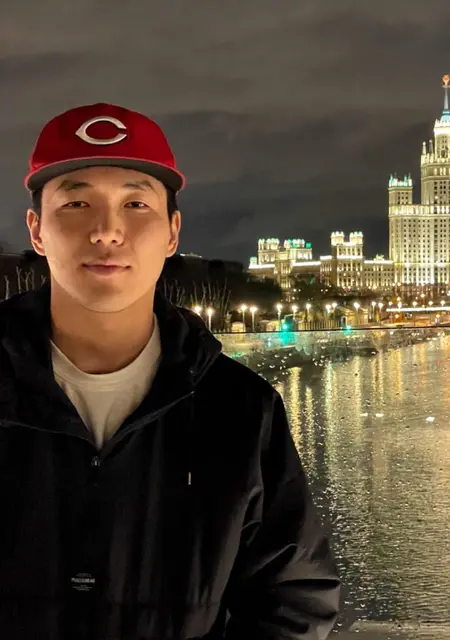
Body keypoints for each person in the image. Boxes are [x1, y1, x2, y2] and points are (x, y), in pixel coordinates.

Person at [0, 103, 340, 639]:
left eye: (135, 204)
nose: (107, 230)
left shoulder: (240, 409)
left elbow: (294, 596)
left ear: (173, 232)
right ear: (37, 230)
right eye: (76, 203)